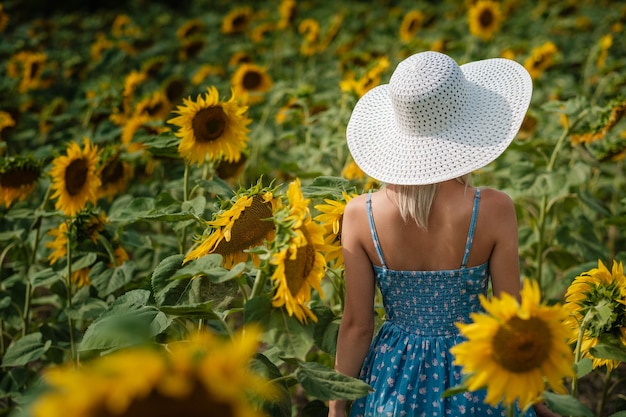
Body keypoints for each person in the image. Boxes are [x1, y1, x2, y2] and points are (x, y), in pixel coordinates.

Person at [328, 51, 540, 417]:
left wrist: (336, 408)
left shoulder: (360, 216)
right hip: (477, 371)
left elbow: (357, 327)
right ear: (470, 124)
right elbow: (513, 318)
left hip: (394, 378)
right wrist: (541, 398)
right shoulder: (493, 209)